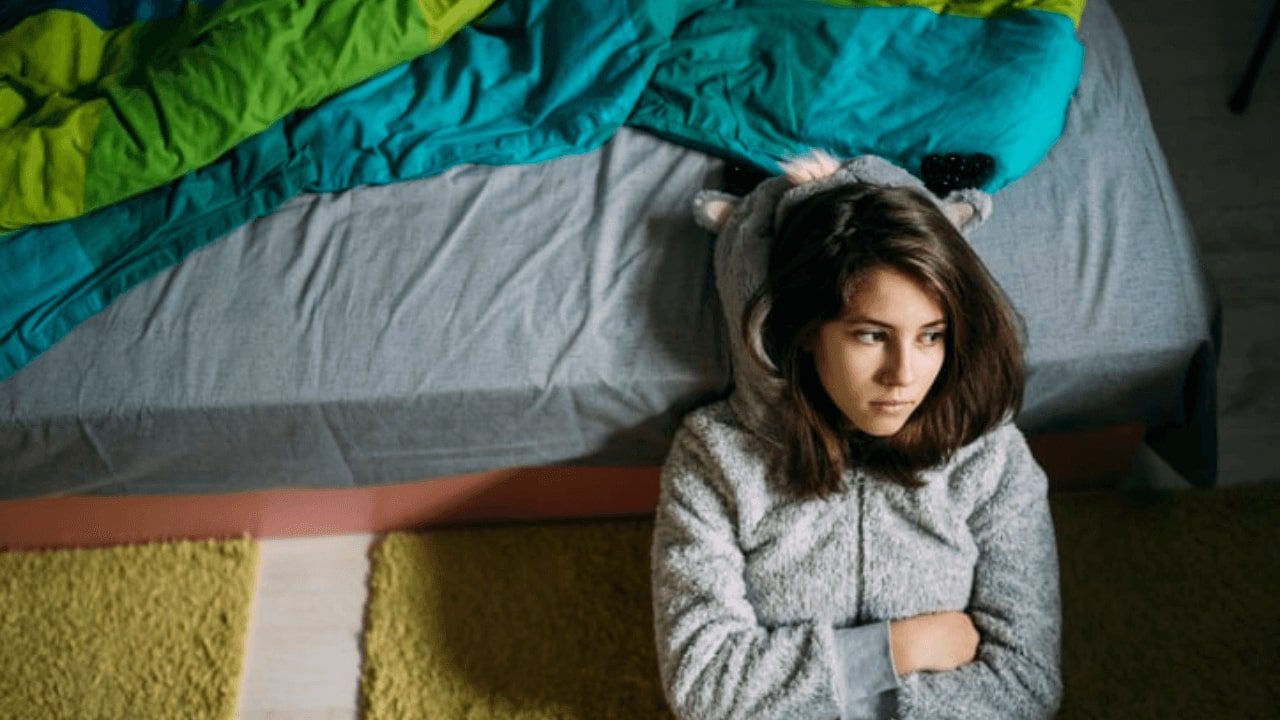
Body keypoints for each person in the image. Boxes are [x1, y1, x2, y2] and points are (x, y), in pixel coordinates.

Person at [650, 153, 1061, 719]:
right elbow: (703, 686)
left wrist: (798, 690)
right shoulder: (714, 457)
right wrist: (901, 648)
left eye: (931, 336)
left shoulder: (991, 456)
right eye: (872, 335)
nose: (904, 375)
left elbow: (1027, 685)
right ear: (806, 331)